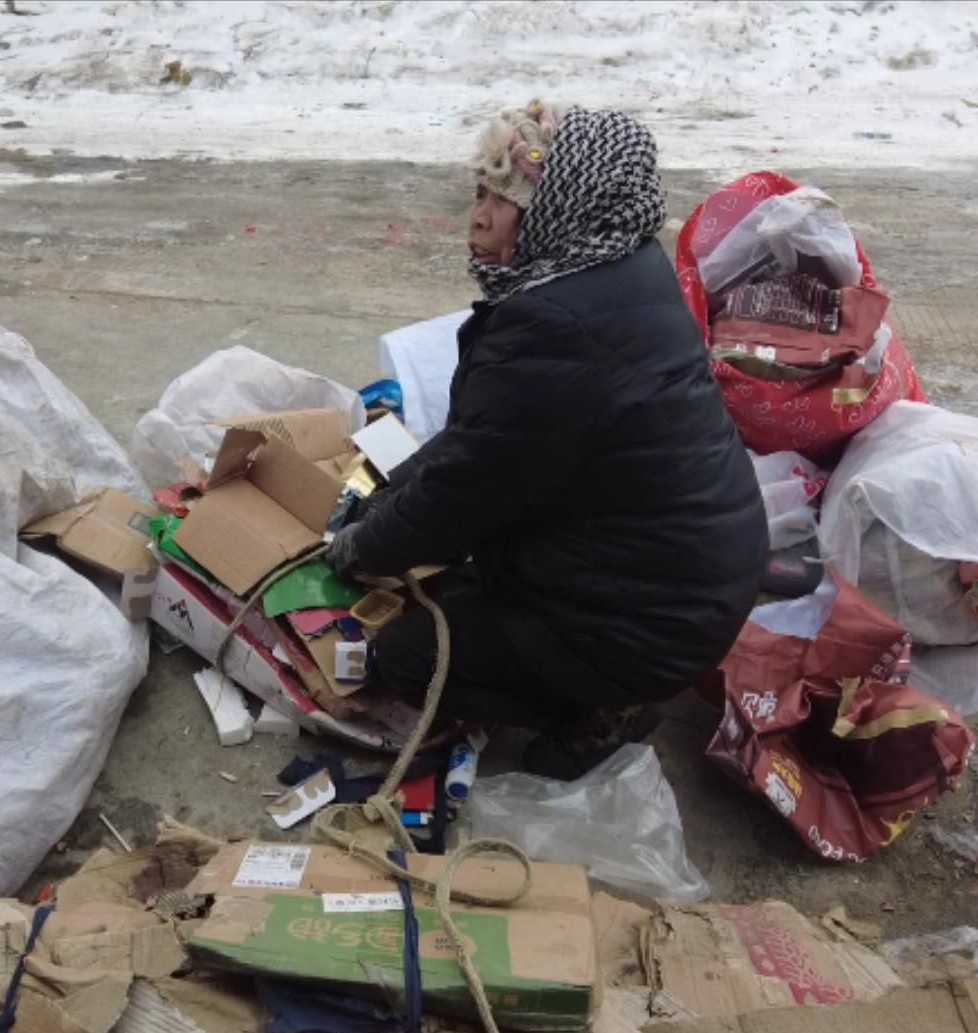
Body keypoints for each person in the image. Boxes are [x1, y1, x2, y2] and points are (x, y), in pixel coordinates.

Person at [328, 101, 767, 780]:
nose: (476, 218)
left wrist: (361, 548)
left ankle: (604, 707)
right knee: (457, 579)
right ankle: (597, 673)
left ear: (557, 211)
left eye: (498, 201)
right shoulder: (618, 271)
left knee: (405, 656)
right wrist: (390, 489)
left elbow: (465, 492)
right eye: (479, 195)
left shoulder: (556, 331)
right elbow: (484, 445)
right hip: (682, 579)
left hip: (649, 620)